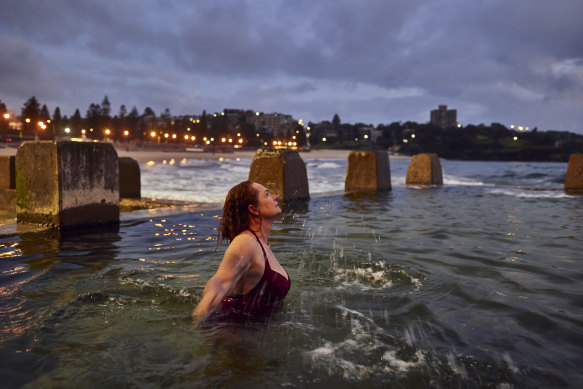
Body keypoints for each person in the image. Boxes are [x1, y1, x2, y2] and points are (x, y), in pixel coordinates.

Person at [192, 181, 291, 322]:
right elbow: (221, 279)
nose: (275, 197)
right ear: (254, 209)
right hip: (234, 332)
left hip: (257, 331)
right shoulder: (245, 242)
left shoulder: (261, 243)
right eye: (267, 194)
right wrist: (207, 301)